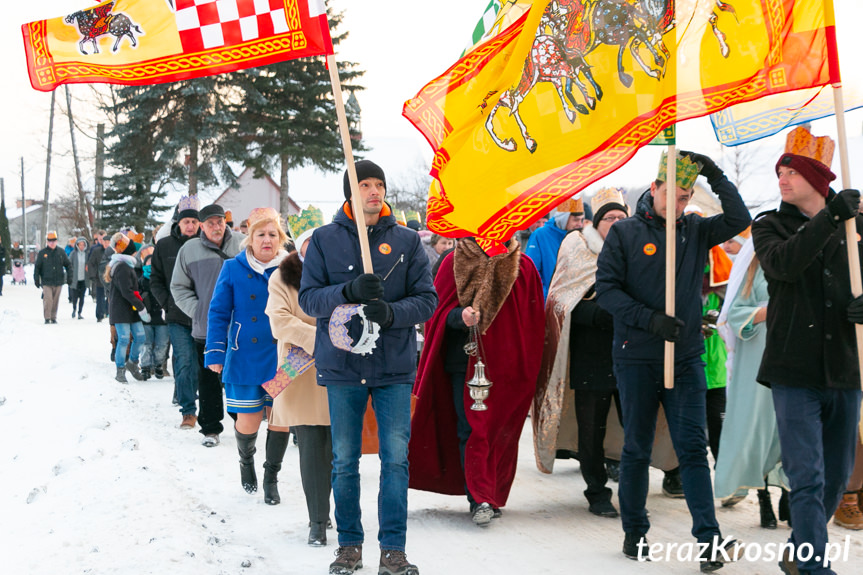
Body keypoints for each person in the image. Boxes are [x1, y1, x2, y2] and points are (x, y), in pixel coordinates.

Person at [595, 150, 750, 568]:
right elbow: (607, 291)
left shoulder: (696, 230)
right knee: (637, 448)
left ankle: (709, 540)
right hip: (637, 357)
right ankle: (635, 532)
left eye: (686, 197)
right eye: (674, 195)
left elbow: (739, 219)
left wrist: (714, 174)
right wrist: (649, 320)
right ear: (654, 188)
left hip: (684, 358)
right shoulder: (625, 233)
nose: (680, 204)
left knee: (692, 449)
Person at [298, 160, 437, 575]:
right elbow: (309, 300)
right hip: (342, 367)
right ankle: (349, 546)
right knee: (344, 460)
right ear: (350, 192)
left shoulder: (408, 241)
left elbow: (427, 300)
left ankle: (392, 550)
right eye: (364, 185)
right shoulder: (323, 240)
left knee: (395, 460)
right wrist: (348, 291)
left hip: (393, 365)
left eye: (379, 184)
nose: (374, 191)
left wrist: (390, 312)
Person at [751, 127, 863, 574]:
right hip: (793, 369)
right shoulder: (768, 225)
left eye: (791, 171)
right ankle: (815, 566)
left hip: (845, 369)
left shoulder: (856, 228)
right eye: (779, 171)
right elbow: (784, 265)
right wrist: (830, 219)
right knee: (808, 476)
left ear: (818, 180)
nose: (781, 178)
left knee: (837, 476)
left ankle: (798, 553)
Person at [410, 233, 545, 526]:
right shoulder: (452, 262)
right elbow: (435, 314)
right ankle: (479, 496)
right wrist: (461, 317)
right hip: (465, 363)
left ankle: (491, 491)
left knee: (500, 431)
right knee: (472, 428)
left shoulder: (525, 266)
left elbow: (532, 321)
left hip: (509, 367)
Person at [533, 188, 632, 518]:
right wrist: (604, 313)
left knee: (635, 424)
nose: (616, 223)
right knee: (593, 429)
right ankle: (596, 490)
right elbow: (561, 301)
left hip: (631, 355)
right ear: (597, 222)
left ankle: (633, 486)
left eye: (621, 217)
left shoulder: (636, 248)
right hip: (592, 355)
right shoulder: (577, 247)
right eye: (609, 218)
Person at [205, 207, 289, 496]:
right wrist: (215, 353)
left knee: (280, 418)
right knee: (249, 419)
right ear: (249, 238)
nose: (267, 240)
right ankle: (246, 460)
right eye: (261, 234)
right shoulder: (232, 268)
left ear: (281, 239)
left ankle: (271, 477)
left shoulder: (292, 268)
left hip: (282, 359)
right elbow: (218, 313)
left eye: (273, 234)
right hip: (244, 357)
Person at [266, 226, 334, 545]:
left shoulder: (341, 275)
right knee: (311, 444)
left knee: (335, 449)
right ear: (301, 246)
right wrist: (321, 338)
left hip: (338, 370)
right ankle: (317, 521)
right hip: (298, 371)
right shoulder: (282, 277)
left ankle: (327, 509)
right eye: (310, 243)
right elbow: (280, 321)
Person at [713, 245, 789, 529]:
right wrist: (768, 311)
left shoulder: (800, 259)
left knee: (789, 427)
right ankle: (764, 497)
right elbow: (734, 314)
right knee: (757, 429)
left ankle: (788, 492)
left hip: (794, 356)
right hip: (758, 356)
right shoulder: (753, 269)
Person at [172, 203, 244, 447]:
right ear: (201, 225)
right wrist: (199, 312)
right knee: (208, 381)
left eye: (220, 221)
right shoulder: (189, 249)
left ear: (226, 222)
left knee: (238, 378)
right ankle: (210, 429)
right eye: (210, 223)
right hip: (206, 329)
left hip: (240, 327)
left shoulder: (243, 244)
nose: (216, 226)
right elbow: (178, 287)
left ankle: (244, 425)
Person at [151, 196, 201, 429]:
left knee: (203, 364)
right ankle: (188, 411)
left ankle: (207, 408)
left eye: (193, 221)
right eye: (185, 222)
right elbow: (155, 280)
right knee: (183, 361)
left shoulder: (208, 244)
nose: (190, 226)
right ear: (178, 223)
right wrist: (167, 304)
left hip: (205, 316)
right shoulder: (165, 246)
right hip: (177, 316)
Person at [105, 233, 147, 383]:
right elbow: (126, 291)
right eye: (133, 250)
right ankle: (120, 369)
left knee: (140, 336)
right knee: (123, 339)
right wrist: (141, 307)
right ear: (128, 251)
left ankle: (132, 362)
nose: (136, 252)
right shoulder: (122, 267)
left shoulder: (127, 265)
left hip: (131, 309)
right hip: (121, 309)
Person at [525, 197, 585, 299]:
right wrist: (545, 298)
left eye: (581, 220)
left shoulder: (581, 237)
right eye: (576, 220)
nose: (579, 224)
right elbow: (531, 273)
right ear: (564, 218)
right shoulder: (540, 235)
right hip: (547, 301)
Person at [139, 246, 169, 381]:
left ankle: (158, 365)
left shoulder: (162, 278)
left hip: (161, 317)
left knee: (162, 344)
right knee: (146, 344)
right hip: (146, 317)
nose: (150, 265)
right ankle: (145, 367)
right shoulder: (141, 280)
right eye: (148, 262)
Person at [34, 230, 71, 324]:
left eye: (54, 240)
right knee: (48, 299)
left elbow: (68, 265)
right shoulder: (43, 253)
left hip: (58, 280)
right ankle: (47, 317)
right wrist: (36, 279)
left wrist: (69, 277)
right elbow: (37, 267)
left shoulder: (61, 252)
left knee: (55, 300)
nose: (52, 243)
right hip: (46, 281)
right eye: (50, 241)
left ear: (56, 241)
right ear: (47, 242)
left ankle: (53, 317)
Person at [87, 230, 108, 321]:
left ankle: (106, 311)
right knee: (100, 296)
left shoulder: (112, 251)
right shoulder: (95, 250)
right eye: (101, 239)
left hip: (109, 277)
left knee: (109, 296)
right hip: (99, 277)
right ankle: (99, 314)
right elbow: (91, 263)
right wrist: (92, 275)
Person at [68, 237, 89, 319]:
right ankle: (74, 309)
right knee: (75, 297)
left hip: (84, 278)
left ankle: (80, 312)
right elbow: (69, 264)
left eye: (83, 245)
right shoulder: (73, 254)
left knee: (82, 296)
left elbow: (89, 264)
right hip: (75, 279)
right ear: (77, 245)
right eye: (80, 245)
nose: (82, 246)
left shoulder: (86, 254)